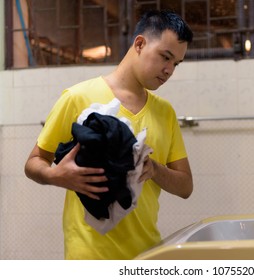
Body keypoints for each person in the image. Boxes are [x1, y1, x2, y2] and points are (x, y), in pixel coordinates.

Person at [24, 10, 194, 260]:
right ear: (139, 43)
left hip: (147, 255)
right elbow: (33, 162)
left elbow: (186, 186)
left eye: (175, 64)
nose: (169, 70)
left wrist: (155, 170)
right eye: (165, 57)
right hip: (89, 257)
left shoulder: (165, 113)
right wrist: (55, 175)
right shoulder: (77, 97)